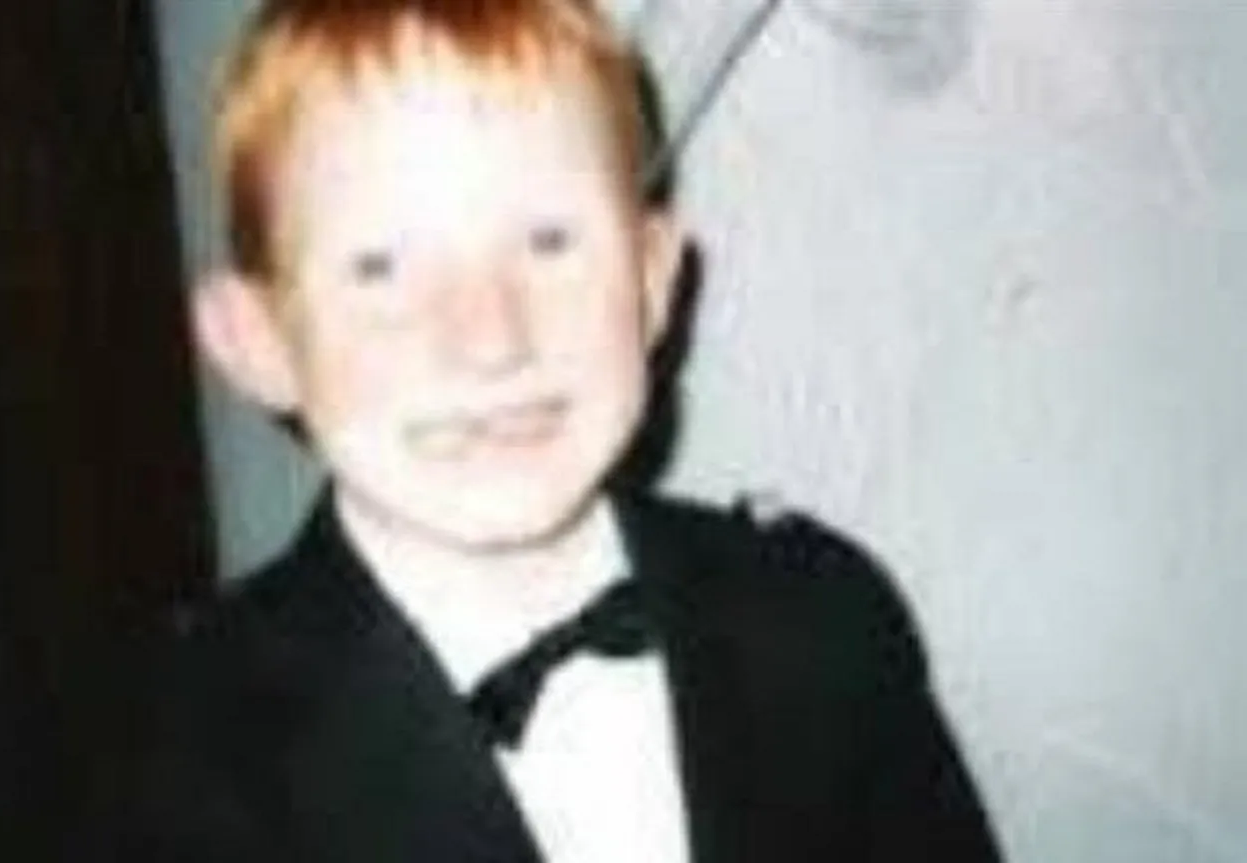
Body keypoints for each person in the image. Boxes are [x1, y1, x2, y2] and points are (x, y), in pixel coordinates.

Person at [107, 1, 1003, 860]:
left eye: (548, 241)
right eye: (380, 267)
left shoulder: (821, 623)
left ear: (653, 282)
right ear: (258, 342)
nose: (491, 338)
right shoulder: (184, 753)